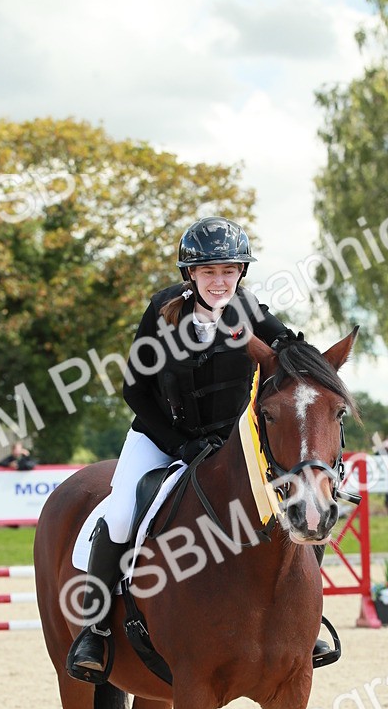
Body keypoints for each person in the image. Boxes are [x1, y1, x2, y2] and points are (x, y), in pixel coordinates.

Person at [67, 215, 325, 682]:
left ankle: (309, 622)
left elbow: (288, 348)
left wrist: (303, 357)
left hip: (228, 444)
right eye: (209, 272)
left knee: (294, 503)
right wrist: (180, 444)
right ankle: (94, 628)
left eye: (228, 271)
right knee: (123, 512)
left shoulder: (249, 310)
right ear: (191, 275)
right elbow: (135, 392)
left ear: (240, 273)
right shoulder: (162, 311)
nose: (219, 281)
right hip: (159, 436)